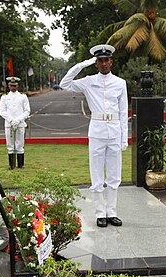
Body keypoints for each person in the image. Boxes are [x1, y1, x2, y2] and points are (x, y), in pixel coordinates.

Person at [60, 44, 128, 228]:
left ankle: (112, 212)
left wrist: (124, 138)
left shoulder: (120, 83)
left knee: (114, 175)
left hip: (114, 130)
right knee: (97, 173)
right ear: (96, 63)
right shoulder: (88, 81)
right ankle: (100, 213)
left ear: (111, 61)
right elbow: (64, 84)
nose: (104, 63)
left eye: (106, 60)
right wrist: (83, 64)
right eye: (100, 60)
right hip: (97, 130)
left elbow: (123, 112)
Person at [0, 76, 30, 169]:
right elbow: (2, 111)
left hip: (20, 124)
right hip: (9, 124)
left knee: (20, 144)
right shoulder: (4, 98)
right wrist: (11, 120)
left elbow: (27, 111)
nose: (13, 87)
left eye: (14, 85)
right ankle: (11, 165)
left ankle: (20, 165)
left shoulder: (23, 97)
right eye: (11, 85)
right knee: (10, 144)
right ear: (8, 86)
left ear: (17, 86)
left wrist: (18, 120)